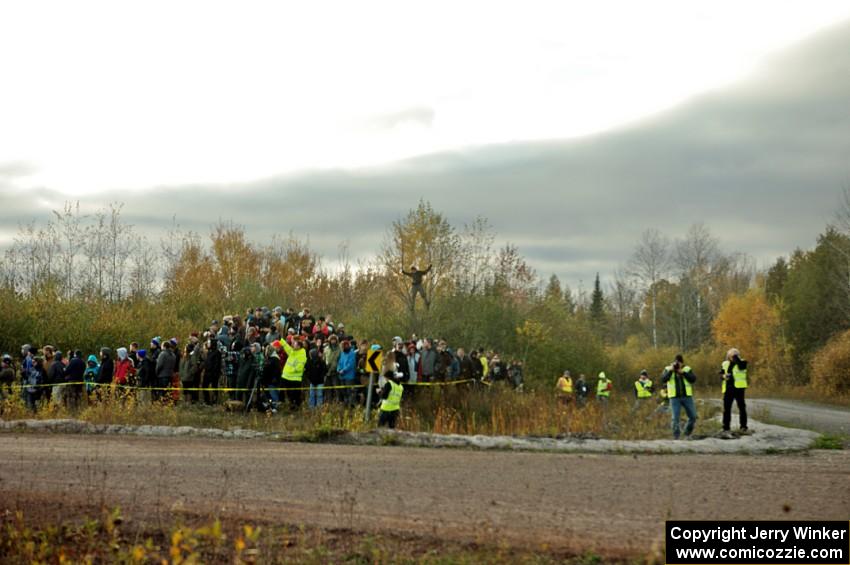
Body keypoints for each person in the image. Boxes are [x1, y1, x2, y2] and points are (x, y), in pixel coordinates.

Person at [661, 355, 697, 439]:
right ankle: (676, 437)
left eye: (679, 363)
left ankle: (687, 433)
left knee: (693, 416)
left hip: (687, 396)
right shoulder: (668, 369)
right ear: (673, 362)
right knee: (675, 418)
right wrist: (671, 371)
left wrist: (683, 373)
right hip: (674, 397)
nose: (677, 365)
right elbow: (663, 379)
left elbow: (693, 379)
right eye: (676, 363)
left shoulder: (687, 369)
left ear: (682, 363)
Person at [721, 348, 749, 434]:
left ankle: (743, 427)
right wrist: (723, 376)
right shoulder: (725, 363)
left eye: (734, 355)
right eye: (730, 355)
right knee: (726, 409)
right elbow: (721, 373)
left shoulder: (742, 362)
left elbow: (741, 366)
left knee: (741, 407)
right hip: (728, 388)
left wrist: (735, 357)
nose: (732, 357)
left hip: (739, 388)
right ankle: (726, 428)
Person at [280, 336, 307, 409]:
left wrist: (291, 370)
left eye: (295, 344)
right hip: (286, 377)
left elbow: (299, 367)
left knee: (295, 394)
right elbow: (286, 347)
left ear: (299, 346)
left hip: (295, 378)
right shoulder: (293, 352)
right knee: (289, 394)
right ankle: (291, 405)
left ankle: (296, 407)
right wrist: (281, 339)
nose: (293, 345)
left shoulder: (302, 354)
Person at [337, 340, 357, 406]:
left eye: (346, 345)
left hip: (349, 376)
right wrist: (339, 369)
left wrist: (344, 370)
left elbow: (351, 364)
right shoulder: (342, 353)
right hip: (342, 376)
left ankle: (351, 405)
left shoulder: (352, 353)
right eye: (343, 346)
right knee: (343, 391)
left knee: (350, 391)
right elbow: (339, 362)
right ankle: (346, 403)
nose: (345, 347)